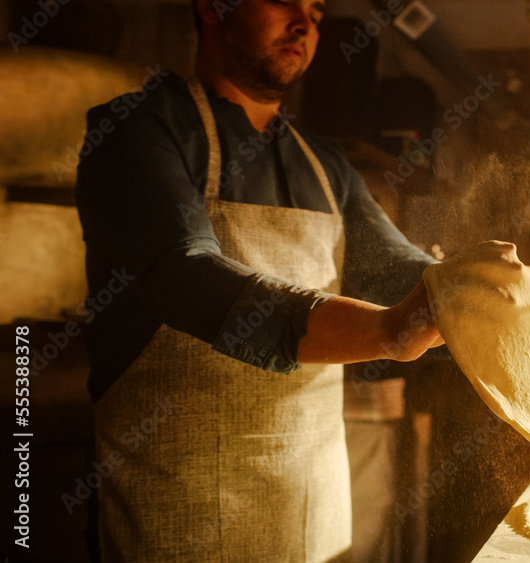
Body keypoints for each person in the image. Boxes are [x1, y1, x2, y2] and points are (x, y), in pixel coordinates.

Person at [74, 0, 444, 560]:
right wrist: (388, 332)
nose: (305, 24)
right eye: (284, 2)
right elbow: (184, 274)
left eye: (317, 13)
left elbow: (396, 269)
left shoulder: (324, 164)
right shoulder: (137, 128)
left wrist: (481, 288)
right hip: (177, 507)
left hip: (305, 511)